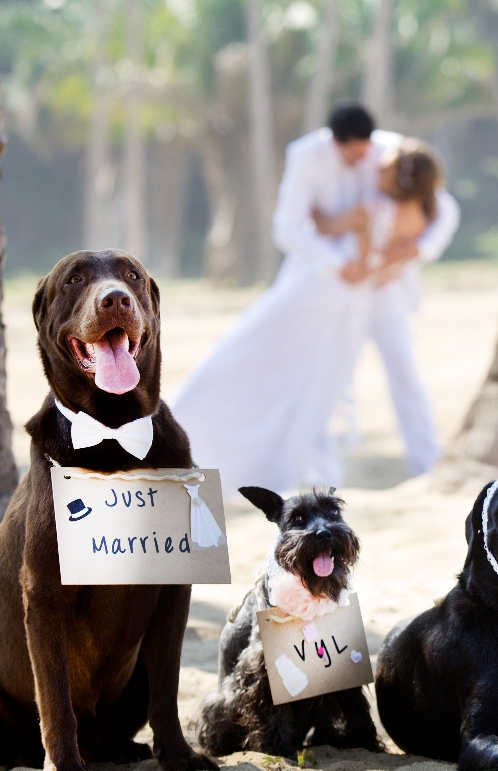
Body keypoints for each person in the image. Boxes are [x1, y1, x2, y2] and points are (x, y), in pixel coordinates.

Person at [171, 104, 460, 496]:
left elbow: (444, 208)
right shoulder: (306, 156)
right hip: (331, 284)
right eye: (354, 153)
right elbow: (289, 227)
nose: (365, 161)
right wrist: (337, 263)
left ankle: (428, 462)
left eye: (367, 150)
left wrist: (414, 251)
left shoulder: (393, 154)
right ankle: (323, 475)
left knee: (403, 371)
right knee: (321, 377)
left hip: (384, 289)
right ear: (335, 141)